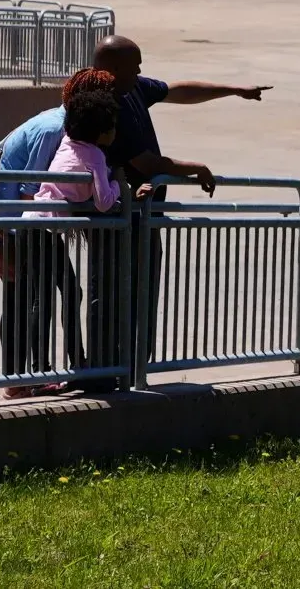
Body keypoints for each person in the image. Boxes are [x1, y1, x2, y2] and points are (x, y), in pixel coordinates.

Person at [76, 34, 271, 390]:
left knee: (142, 289)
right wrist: (195, 168)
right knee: (110, 291)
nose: (140, 70)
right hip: (117, 216)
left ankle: (131, 368)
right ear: (114, 68)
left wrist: (233, 90)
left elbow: (177, 90)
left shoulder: (132, 88)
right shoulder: (108, 105)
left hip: (143, 214)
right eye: (134, 64)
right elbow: (148, 163)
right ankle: (104, 373)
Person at [2, 81, 124, 397]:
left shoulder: (69, 142)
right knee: (43, 300)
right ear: (100, 132)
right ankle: (37, 375)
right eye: (112, 127)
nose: (115, 133)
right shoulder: (95, 154)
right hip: (43, 228)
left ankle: (75, 363)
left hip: (36, 225)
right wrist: (119, 186)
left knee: (69, 290)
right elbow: (103, 201)